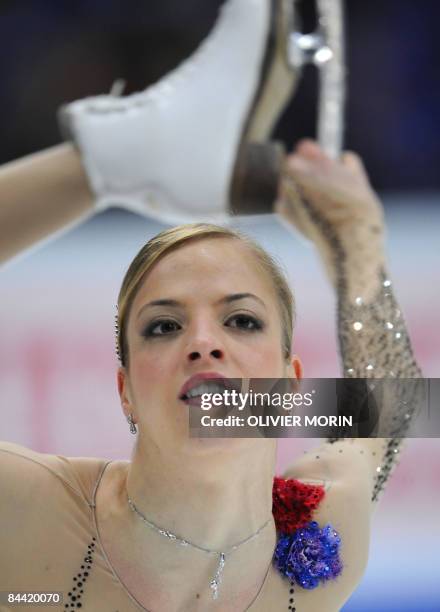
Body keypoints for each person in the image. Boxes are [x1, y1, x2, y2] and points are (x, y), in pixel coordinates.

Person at [0, 131, 422, 611]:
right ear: (126, 391)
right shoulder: (28, 510)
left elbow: (388, 404)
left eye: (241, 321)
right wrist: (101, 167)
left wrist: (356, 238)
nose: (203, 344)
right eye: (164, 326)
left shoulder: (317, 550)